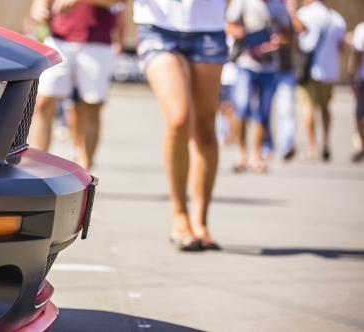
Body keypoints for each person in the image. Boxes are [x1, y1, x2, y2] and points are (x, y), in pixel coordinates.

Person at [134, 0, 228, 250]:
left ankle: (201, 222)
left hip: (209, 27)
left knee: (205, 129)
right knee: (179, 119)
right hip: (158, 27)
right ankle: (179, 216)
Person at [29, 0, 121, 171]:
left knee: (90, 107)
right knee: (43, 103)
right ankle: (36, 169)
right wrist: (38, 7)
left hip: (97, 41)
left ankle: (84, 171)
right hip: (59, 38)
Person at [226, 0, 292, 173]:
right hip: (246, 62)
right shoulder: (243, 3)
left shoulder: (279, 6)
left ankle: (256, 156)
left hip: (269, 66)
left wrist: (278, 41)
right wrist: (240, 33)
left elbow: (288, 34)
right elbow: (228, 25)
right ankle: (241, 154)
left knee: (264, 112)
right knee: (241, 107)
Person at [285, 0, 346, 162]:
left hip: (310, 68)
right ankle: (326, 143)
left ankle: (311, 148)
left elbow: (296, 38)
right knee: (326, 108)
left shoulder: (304, 14)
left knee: (308, 107)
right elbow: (341, 47)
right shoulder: (337, 18)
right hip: (330, 70)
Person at [350, 21, 364, 162]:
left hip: (362, 78)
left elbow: (358, 53)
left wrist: (353, 76)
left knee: (358, 115)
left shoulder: (361, 29)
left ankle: (362, 146)